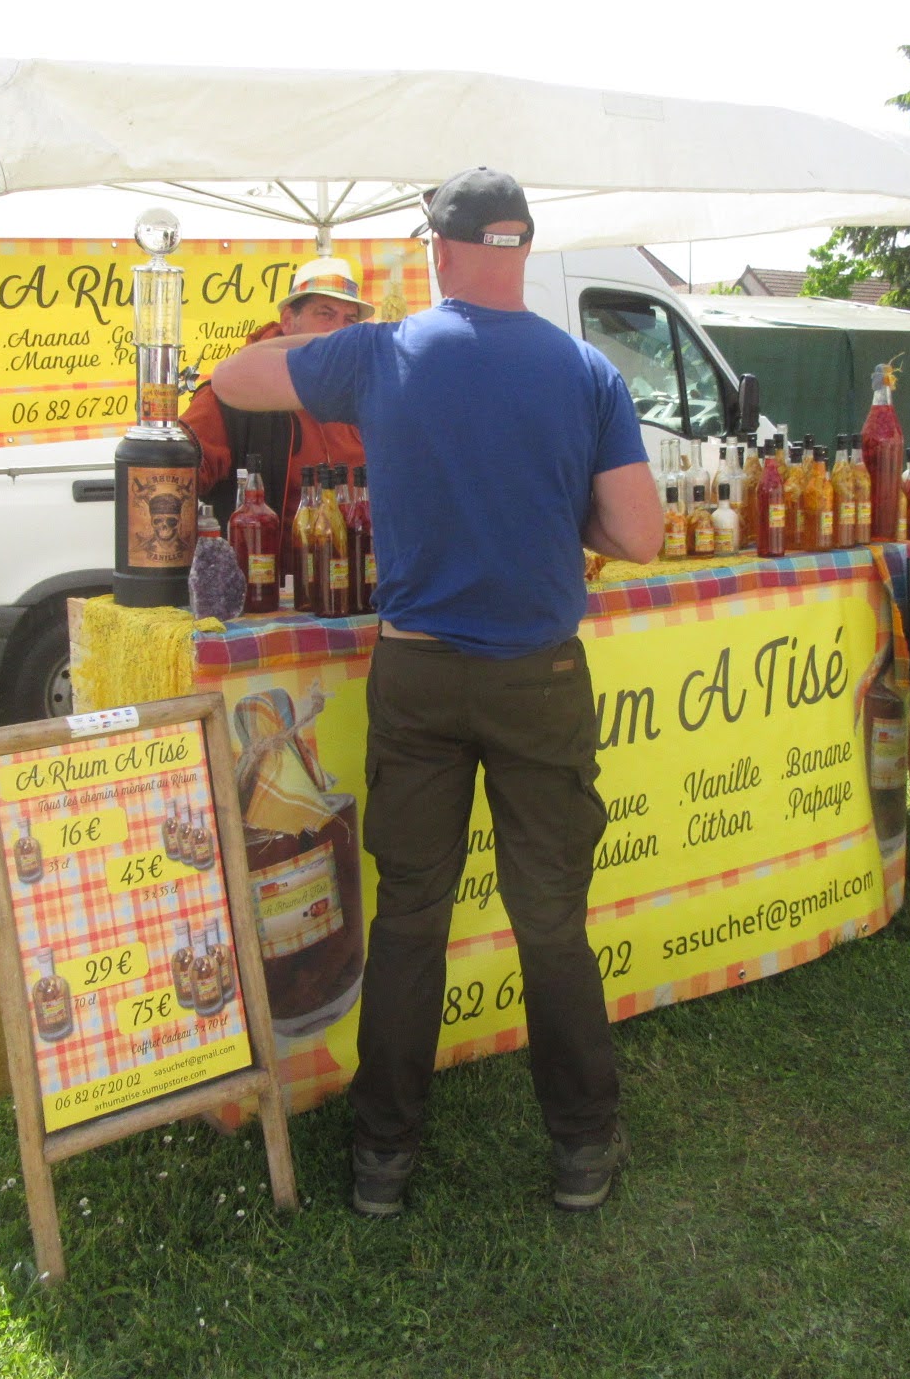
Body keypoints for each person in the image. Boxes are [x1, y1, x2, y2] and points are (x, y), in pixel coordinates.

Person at [211, 166, 661, 1216]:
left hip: (414, 670)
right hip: (537, 678)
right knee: (549, 919)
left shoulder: (383, 351)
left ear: (439, 249)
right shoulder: (585, 370)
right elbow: (637, 535)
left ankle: (382, 1157)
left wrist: (317, 336)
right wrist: (565, 522)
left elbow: (234, 380)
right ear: (523, 250)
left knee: (411, 917)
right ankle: (582, 1147)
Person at [181, 256, 372, 525]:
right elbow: (174, 469)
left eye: (349, 320)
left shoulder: (361, 390)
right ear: (288, 321)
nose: (338, 331)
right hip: (265, 563)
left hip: (355, 561)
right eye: (325, 314)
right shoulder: (236, 391)